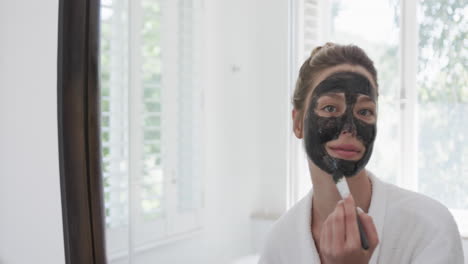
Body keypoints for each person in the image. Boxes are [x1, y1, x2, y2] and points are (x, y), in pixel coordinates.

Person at [258, 43, 464, 264]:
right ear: (298, 122)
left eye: (364, 111)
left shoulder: (431, 227)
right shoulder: (279, 244)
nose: (350, 129)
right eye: (330, 108)